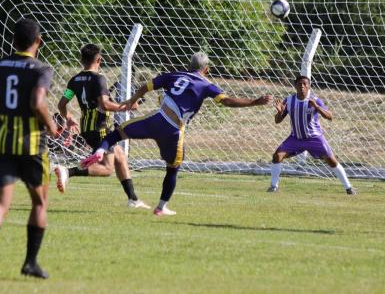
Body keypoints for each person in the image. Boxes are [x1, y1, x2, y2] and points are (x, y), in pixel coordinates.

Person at [82, 51, 272, 216]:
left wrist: (132, 100)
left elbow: (146, 86)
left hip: (156, 119)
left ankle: (99, 152)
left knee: (117, 134)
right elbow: (227, 101)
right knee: (173, 167)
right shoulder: (206, 85)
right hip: (173, 130)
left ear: (188, 66)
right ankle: (161, 207)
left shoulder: (173, 75)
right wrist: (255, 101)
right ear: (206, 70)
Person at [0, 18, 58, 280]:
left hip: (1, 146)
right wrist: (52, 126)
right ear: (38, 42)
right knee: (40, 203)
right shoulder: (42, 68)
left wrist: (3, 110)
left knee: (0, 205)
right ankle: (30, 262)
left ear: (13, 41)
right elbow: (37, 102)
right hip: (32, 147)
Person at [53, 44, 150, 209]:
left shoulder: (74, 80)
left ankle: (133, 199)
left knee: (119, 156)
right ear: (99, 59)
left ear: (81, 60)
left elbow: (62, 104)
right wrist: (127, 106)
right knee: (107, 169)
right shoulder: (99, 79)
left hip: (87, 128)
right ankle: (69, 171)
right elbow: (104, 105)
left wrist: (68, 117)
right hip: (100, 128)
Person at [267, 76, 356, 195]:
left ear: (309, 86)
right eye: (299, 84)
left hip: (314, 138)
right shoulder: (289, 100)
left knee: (332, 161)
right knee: (277, 156)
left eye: (304, 84)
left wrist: (317, 107)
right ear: (295, 86)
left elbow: (330, 116)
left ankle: (349, 188)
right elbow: (277, 121)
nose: (302, 86)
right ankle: (274, 187)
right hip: (296, 138)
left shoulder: (315, 100)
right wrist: (279, 112)